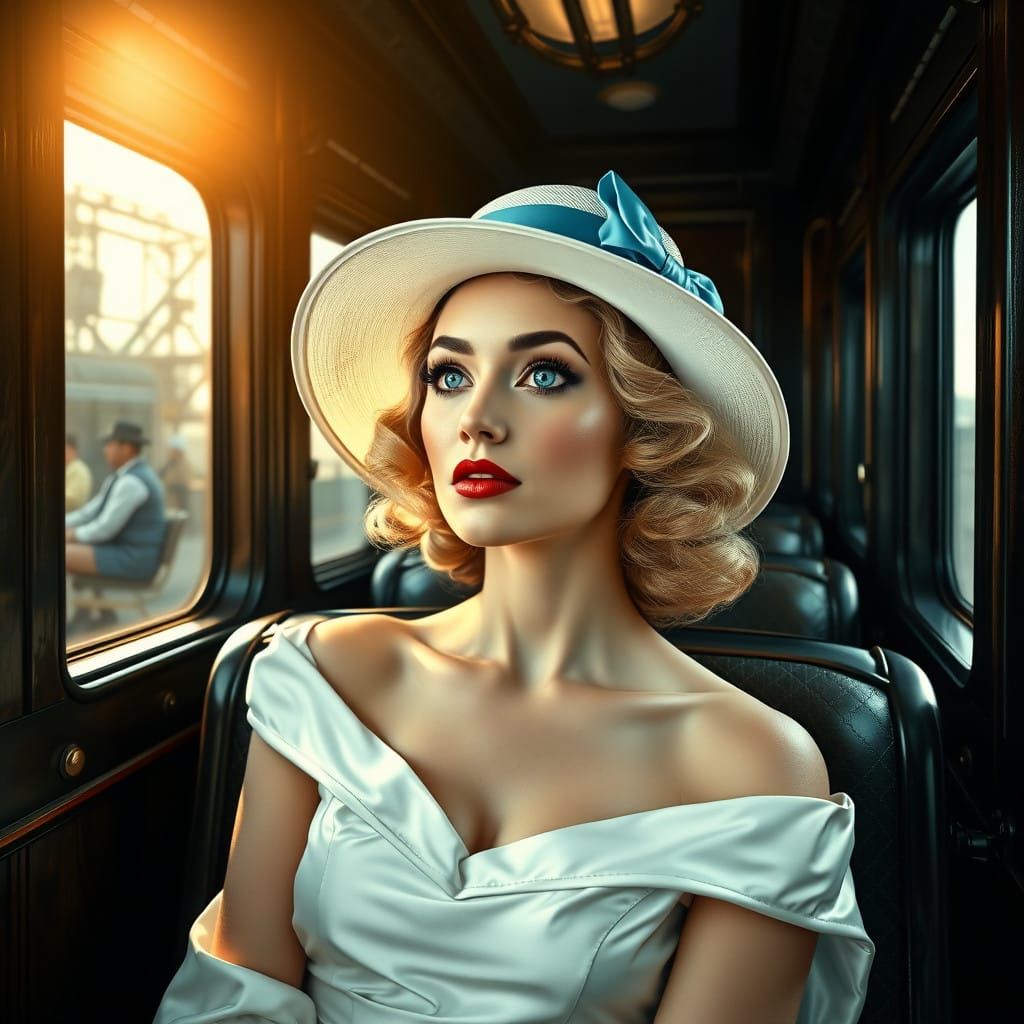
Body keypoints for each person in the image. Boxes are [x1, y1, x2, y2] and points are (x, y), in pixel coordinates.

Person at [155, 172, 874, 1023]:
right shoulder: (326, 672)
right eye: (449, 376)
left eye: (543, 376)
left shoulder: (750, 764)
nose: (478, 420)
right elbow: (238, 995)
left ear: (643, 428)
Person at [65, 421, 167, 586]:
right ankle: (96, 608)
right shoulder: (124, 477)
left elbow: (105, 529)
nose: (105, 450)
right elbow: (89, 513)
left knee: (54, 553)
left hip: (133, 559)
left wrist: (72, 535)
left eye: (109, 444)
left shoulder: (131, 482)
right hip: (127, 552)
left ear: (126, 448)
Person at [159, 434, 194, 512]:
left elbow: (184, 486)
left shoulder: (184, 465)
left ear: (178, 451)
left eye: (171, 450)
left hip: (178, 507)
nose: (168, 452)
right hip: (168, 506)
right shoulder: (169, 464)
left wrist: (168, 484)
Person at [64, 433, 93, 512]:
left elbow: (72, 498)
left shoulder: (78, 469)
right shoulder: (69, 467)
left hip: (72, 517)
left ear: (72, 450)